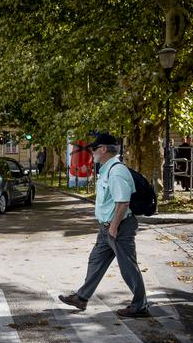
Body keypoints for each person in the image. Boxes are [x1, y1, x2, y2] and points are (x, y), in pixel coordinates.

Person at [58, 133, 149, 318]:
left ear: (104, 149)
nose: (92, 152)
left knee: (128, 268)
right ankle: (81, 298)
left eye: (95, 148)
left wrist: (113, 227)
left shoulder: (116, 171)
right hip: (106, 227)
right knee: (96, 261)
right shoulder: (106, 169)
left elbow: (122, 202)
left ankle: (140, 306)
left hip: (119, 227)